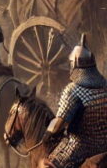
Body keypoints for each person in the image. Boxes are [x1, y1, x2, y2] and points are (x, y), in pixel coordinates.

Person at [43, 34, 107, 168]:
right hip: (104, 145)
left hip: (80, 147)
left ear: (74, 65)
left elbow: (58, 125)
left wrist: (47, 133)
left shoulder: (73, 90)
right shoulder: (104, 86)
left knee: (50, 164)